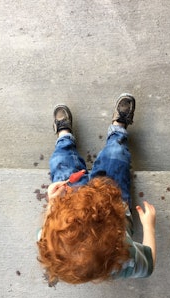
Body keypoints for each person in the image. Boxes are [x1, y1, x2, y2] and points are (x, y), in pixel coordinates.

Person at [37, 93, 156, 284]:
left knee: (61, 162)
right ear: (117, 244)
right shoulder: (124, 257)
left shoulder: (51, 240)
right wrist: (149, 226)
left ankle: (64, 137)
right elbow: (148, 265)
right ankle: (118, 130)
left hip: (69, 198)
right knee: (116, 156)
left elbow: (47, 227)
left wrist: (53, 202)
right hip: (113, 203)